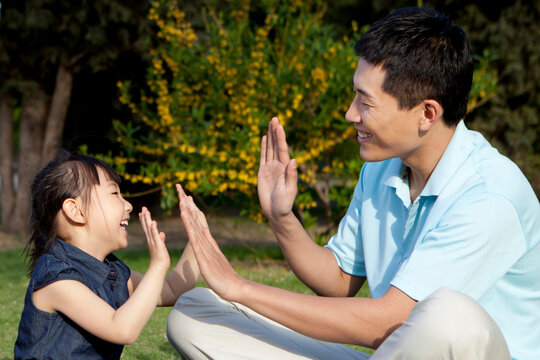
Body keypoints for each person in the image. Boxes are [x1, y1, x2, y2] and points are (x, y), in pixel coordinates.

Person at [167, 6, 540, 360]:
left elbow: (387, 322)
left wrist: (242, 288)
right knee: (195, 312)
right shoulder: (380, 170)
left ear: (427, 113)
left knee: (447, 316)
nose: (350, 114)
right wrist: (281, 218)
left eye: (365, 101)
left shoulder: (490, 196)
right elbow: (339, 279)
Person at [14, 152, 199, 359]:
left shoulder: (112, 271)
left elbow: (171, 291)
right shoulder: (57, 278)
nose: (128, 204)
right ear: (76, 211)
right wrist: (157, 265)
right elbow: (122, 329)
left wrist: (198, 239)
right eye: (115, 194)